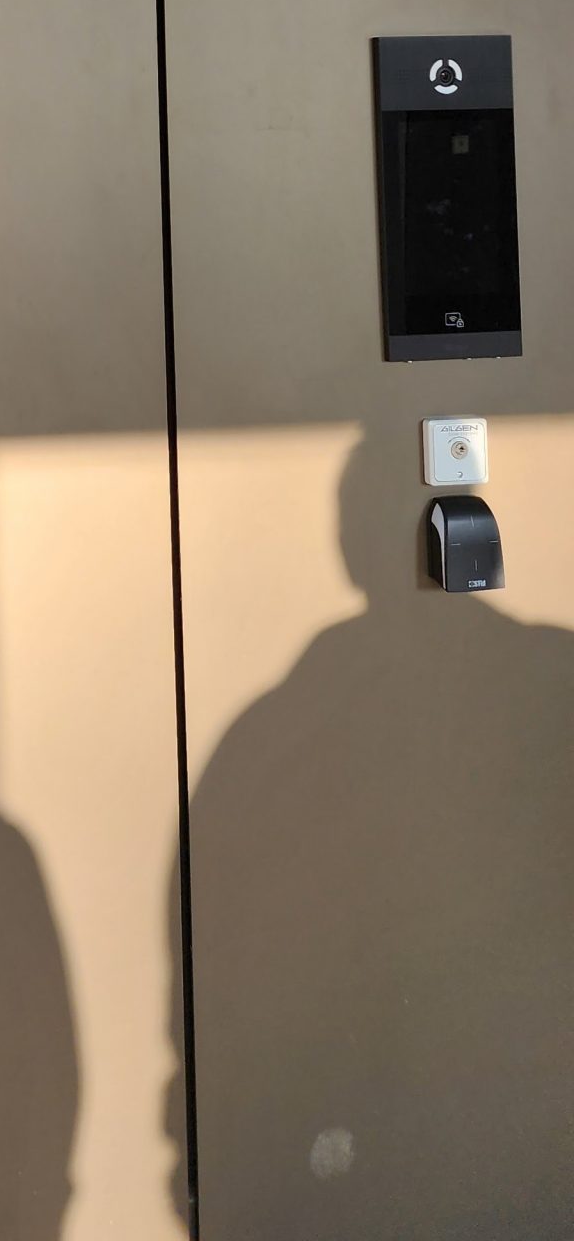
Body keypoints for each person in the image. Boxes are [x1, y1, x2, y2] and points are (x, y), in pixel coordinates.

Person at [178, 422, 574, 1237]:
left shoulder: (272, 742)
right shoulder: (553, 691)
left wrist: (222, 1176)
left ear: (349, 548)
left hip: (328, 1178)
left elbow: (210, 988)